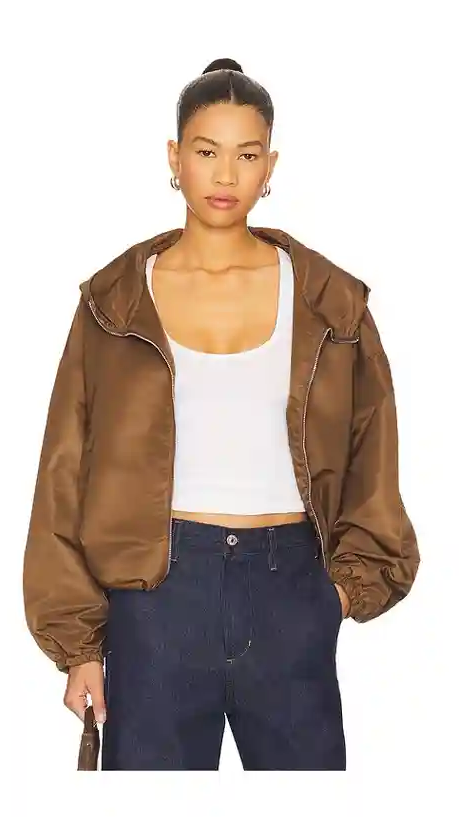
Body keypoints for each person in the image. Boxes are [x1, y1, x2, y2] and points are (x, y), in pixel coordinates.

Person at [22, 57, 420, 771]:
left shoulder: (329, 301)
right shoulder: (114, 303)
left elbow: (374, 454)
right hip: (155, 600)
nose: (226, 175)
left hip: (290, 587)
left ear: (271, 166)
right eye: (207, 152)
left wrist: (335, 595)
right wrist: (78, 645)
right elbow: (63, 471)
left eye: (247, 154)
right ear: (174, 158)